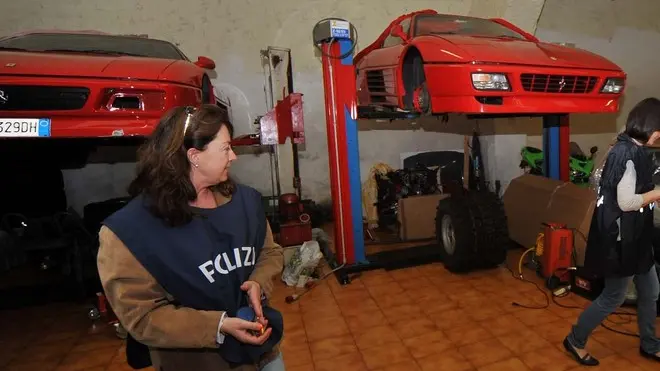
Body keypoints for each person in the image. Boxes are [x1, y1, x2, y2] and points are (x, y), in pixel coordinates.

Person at [97, 104, 286, 371]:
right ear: (194, 156)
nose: (234, 157)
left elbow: (269, 252)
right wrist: (218, 326)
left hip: (263, 353)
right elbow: (142, 317)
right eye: (225, 148)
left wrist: (258, 282)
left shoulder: (245, 203)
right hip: (200, 363)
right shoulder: (129, 233)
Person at [563, 97, 660, 366]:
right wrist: (655, 194)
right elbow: (625, 202)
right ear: (650, 127)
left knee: (651, 291)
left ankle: (650, 344)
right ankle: (575, 339)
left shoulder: (632, 148)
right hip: (620, 242)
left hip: (637, 238)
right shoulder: (625, 154)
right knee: (613, 297)